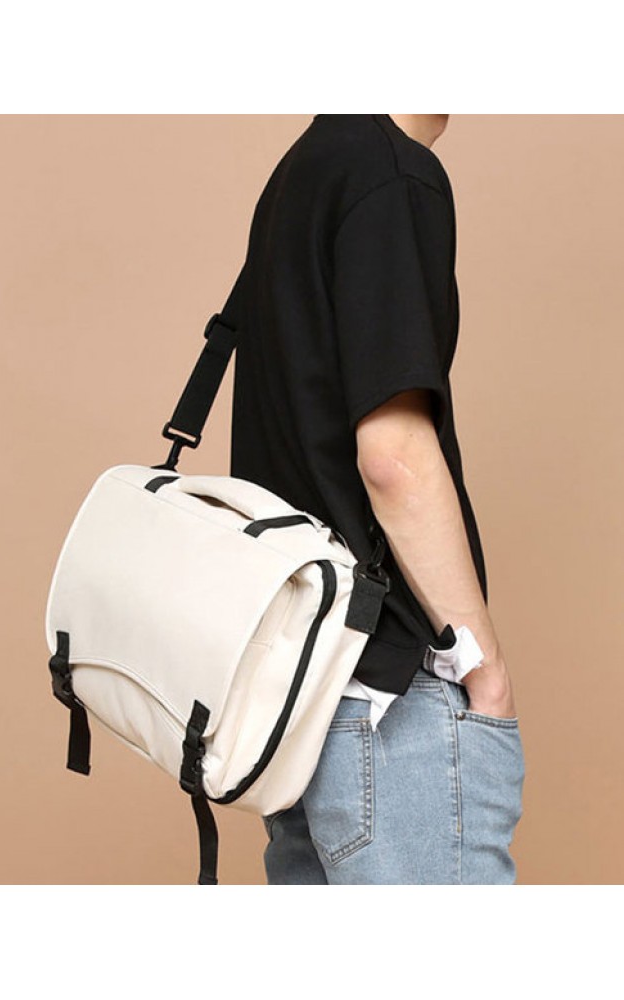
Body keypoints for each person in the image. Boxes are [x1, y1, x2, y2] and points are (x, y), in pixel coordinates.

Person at [228, 114, 526, 884]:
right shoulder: (391, 175)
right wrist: (483, 666)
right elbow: (392, 457)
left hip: (299, 696)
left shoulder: (307, 168)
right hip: (389, 699)